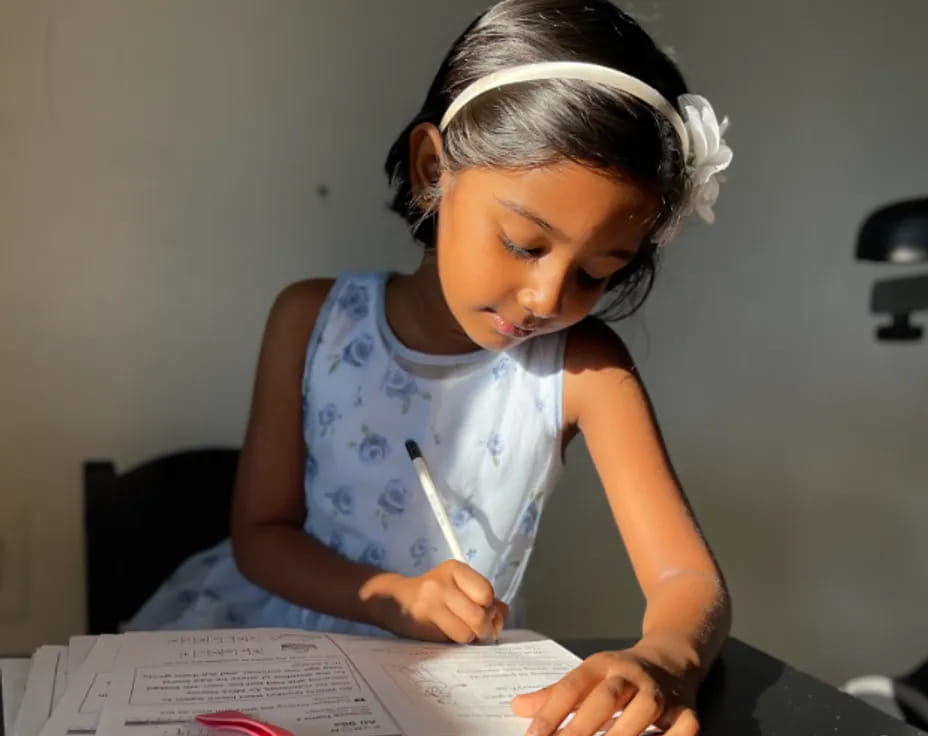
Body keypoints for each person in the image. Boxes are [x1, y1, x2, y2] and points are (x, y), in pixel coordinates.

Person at [130, 1, 734, 732]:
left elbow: (686, 576)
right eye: (524, 244)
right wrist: (397, 597)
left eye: (596, 273)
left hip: (454, 685)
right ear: (431, 172)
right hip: (270, 644)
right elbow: (260, 536)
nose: (548, 299)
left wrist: (666, 658)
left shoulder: (584, 371)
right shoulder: (311, 322)